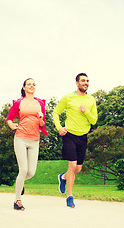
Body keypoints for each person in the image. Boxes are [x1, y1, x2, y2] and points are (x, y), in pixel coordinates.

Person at [52, 73, 98, 208]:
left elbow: (94, 120)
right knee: (72, 166)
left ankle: (63, 177)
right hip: (69, 135)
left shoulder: (91, 100)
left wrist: (86, 112)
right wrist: (59, 128)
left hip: (83, 137)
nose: (86, 83)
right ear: (77, 83)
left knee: (77, 169)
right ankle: (70, 197)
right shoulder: (68, 98)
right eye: (83, 80)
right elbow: (55, 112)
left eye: (87, 81)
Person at [6, 78, 48, 211]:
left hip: (35, 140)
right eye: (29, 84)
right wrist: (12, 125)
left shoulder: (40, 103)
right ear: (24, 87)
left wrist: (41, 118)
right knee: (23, 170)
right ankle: (17, 200)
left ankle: (21, 182)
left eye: (34, 84)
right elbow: (9, 118)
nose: (31, 86)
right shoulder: (19, 102)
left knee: (31, 172)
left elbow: (42, 124)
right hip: (20, 138)